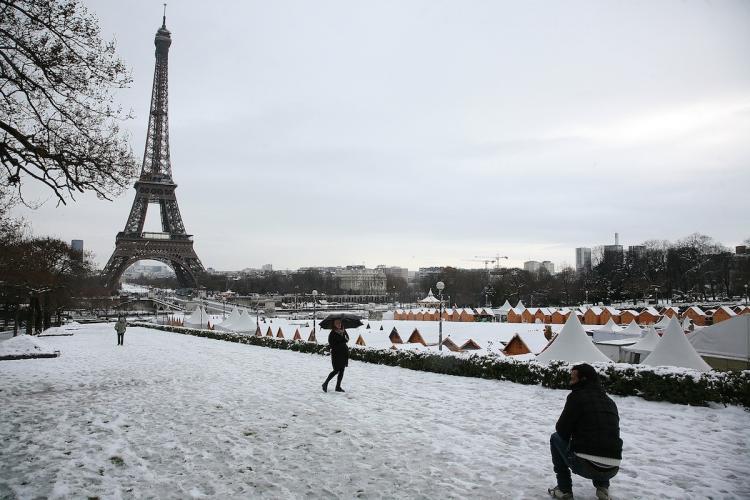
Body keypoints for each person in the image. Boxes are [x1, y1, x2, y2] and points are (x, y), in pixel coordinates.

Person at [548, 363, 622, 500]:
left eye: (573, 378)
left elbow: (561, 431)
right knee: (603, 440)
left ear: (583, 380)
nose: (570, 381)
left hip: (586, 466)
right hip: (613, 467)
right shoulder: (609, 401)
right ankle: (603, 489)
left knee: (555, 438)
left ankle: (564, 490)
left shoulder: (576, 397)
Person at [322, 319, 349, 392]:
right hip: (336, 354)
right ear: (334, 325)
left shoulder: (343, 330)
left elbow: (347, 339)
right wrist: (343, 342)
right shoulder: (332, 333)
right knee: (336, 370)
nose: (339, 324)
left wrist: (345, 339)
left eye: (340, 323)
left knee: (342, 370)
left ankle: (338, 387)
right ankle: (325, 383)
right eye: (337, 323)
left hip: (344, 353)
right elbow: (332, 345)